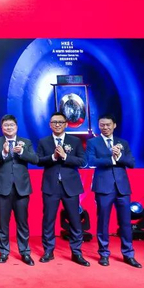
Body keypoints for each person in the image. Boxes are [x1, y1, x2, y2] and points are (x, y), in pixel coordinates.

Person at [85, 114, 142, 268]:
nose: (105, 127)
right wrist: (111, 159)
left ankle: (128, 254)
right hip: (103, 187)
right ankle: (104, 254)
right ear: (99, 126)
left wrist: (120, 156)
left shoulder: (122, 143)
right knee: (103, 222)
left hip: (122, 188)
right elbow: (90, 161)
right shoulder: (93, 142)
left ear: (114, 125)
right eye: (102, 125)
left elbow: (131, 162)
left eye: (108, 125)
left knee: (125, 222)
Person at [36, 112, 89, 266]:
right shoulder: (44, 142)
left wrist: (65, 157)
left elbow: (82, 161)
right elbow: (38, 160)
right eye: (54, 122)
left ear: (66, 124)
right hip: (51, 186)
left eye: (60, 122)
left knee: (75, 220)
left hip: (70, 187)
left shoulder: (75, 141)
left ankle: (76, 252)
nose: (57, 124)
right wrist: (53, 157)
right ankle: (48, 251)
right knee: (48, 220)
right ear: (50, 125)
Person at [0, 114, 38, 266]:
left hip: (21, 188)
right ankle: (4, 252)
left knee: (22, 222)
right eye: (6, 125)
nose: (9, 127)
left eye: (11, 125)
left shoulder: (25, 142)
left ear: (16, 127)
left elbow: (35, 159)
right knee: (3, 222)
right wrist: (3, 153)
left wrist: (22, 152)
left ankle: (25, 252)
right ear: (2, 128)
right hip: (2, 187)